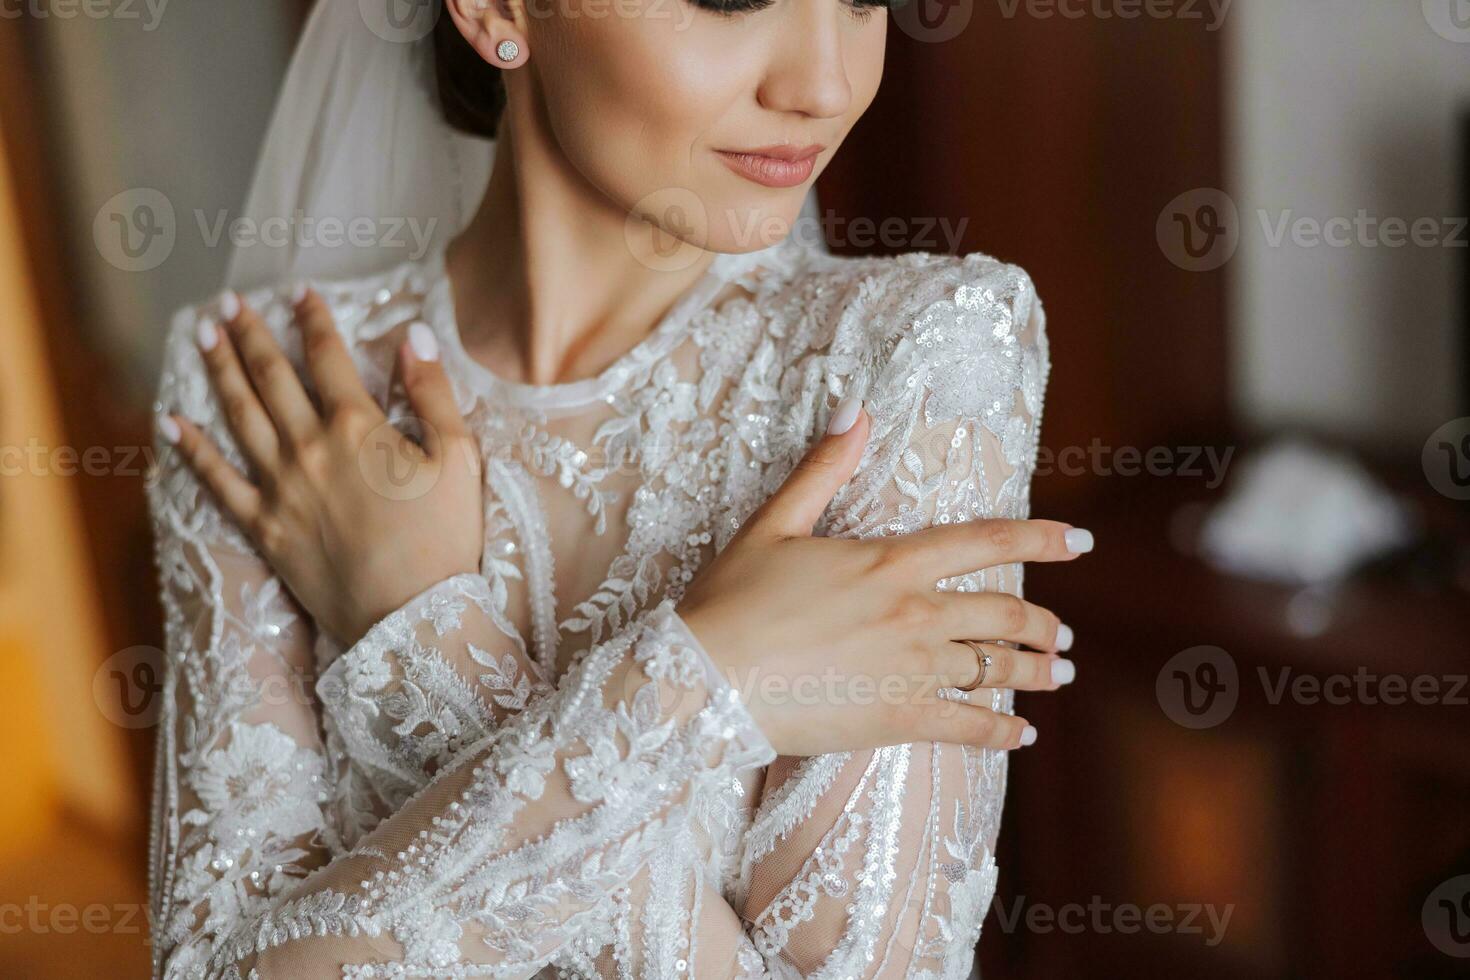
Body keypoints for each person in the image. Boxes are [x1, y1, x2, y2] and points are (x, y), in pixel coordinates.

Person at [146, 0, 1090, 975]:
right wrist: (714, 679)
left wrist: (420, 626)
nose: (824, 86)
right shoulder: (263, 389)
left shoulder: (917, 355)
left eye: (862, 2)